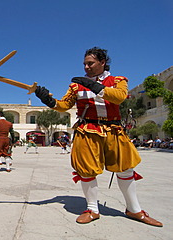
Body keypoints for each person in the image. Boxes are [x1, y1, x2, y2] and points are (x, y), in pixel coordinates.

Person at [35, 47, 162, 227]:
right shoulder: (76, 86)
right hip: (87, 129)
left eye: (90, 63)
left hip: (114, 129)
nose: (86, 67)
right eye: (84, 64)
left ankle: (134, 209)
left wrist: (95, 86)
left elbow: (119, 97)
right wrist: (48, 100)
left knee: (125, 168)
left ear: (102, 62)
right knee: (86, 170)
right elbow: (64, 105)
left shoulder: (118, 80)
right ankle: (92, 209)